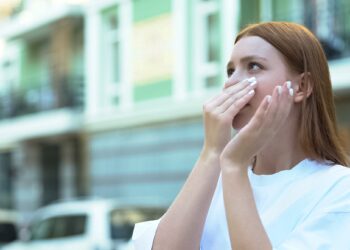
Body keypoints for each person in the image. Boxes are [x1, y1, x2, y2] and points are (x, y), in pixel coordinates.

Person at [132, 21, 350, 250]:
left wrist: (235, 166)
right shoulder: (214, 178)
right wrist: (212, 152)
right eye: (230, 71)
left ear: (302, 86)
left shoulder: (338, 188)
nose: (231, 82)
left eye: (254, 66)